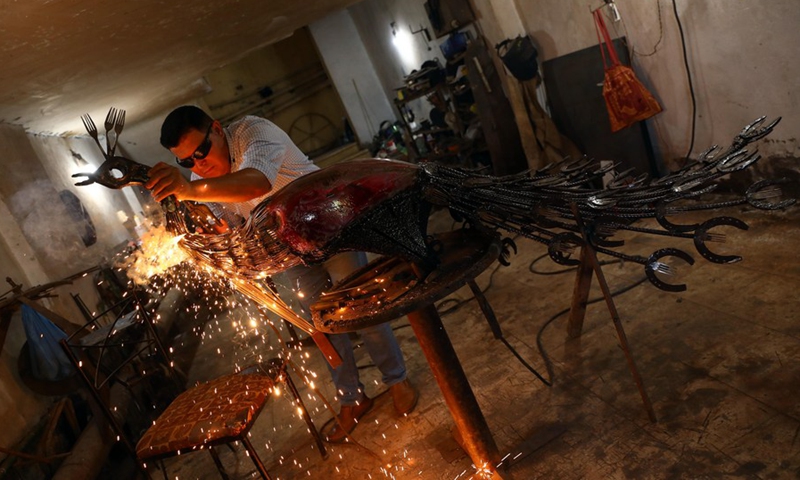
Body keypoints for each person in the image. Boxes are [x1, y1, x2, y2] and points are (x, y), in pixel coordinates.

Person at [146, 105, 418, 442]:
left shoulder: (251, 133)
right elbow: (228, 224)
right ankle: (352, 398)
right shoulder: (202, 181)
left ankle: (397, 380)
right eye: (187, 162)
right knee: (321, 327)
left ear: (216, 128)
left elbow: (255, 183)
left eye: (201, 151)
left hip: (333, 223)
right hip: (289, 248)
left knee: (363, 308)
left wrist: (188, 191)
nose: (199, 165)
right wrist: (205, 229)